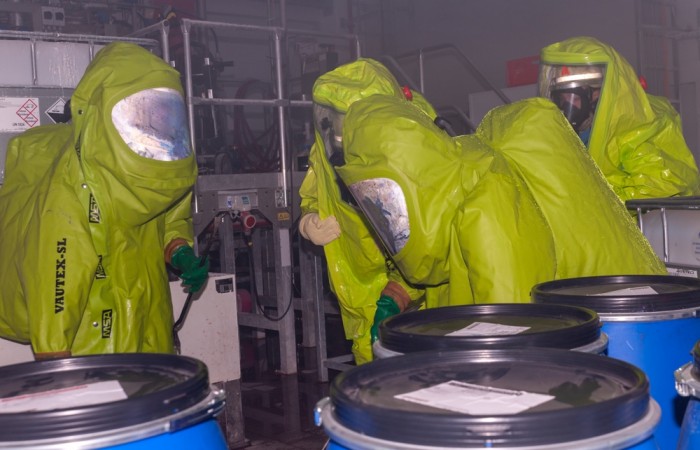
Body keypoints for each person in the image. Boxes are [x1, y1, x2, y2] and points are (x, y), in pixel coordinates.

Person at [0, 42, 208, 359]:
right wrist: (57, 364)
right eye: (142, 114)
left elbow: (171, 218)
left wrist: (180, 252)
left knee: (154, 384)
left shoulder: (163, 174)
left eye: (162, 115)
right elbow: (56, 288)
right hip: (92, 342)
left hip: (150, 319)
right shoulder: (71, 189)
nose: (154, 129)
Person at [298, 58, 444, 364]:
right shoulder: (325, 150)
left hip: (417, 289)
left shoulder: (420, 140)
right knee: (369, 362)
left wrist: (399, 293)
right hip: (359, 279)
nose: (342, 137)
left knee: (424, 365)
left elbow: (436, 238)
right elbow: (314, 193)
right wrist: (308, 222)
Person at [539, 36, 700, 202]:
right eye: (562, 97)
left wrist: (595, 199)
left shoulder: (635, 128)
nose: (567, 105)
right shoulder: (576, 134)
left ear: (597, 94)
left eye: (574, 97)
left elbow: (665, 184)